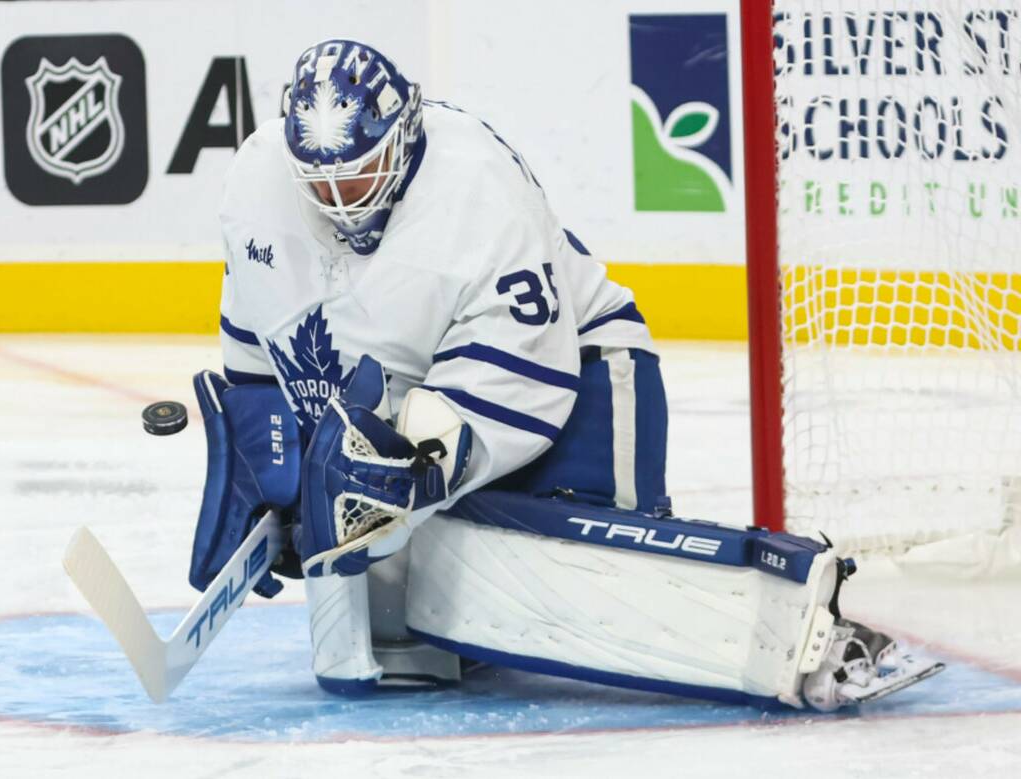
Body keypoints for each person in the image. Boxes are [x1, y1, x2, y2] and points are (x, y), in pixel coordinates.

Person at [188, 38, 941, 710]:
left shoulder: (477, 188)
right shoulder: (257, 189)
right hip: (416, 405)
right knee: (435, 620)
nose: (338, 201)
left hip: (577, 376)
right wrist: (270, 467)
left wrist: (409, 473)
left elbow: (529, 374)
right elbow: (263, 354)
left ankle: (805, 623)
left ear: (404, 134)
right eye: (320, 184)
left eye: (358, 177)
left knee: (584, 593)